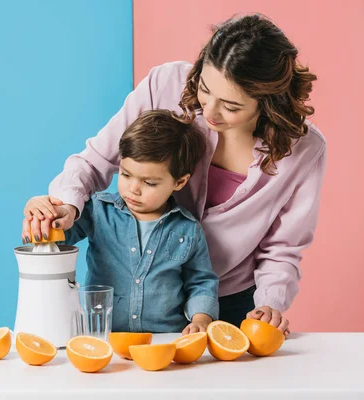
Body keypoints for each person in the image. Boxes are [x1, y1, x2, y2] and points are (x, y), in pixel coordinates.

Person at [22, 14, 327, 336]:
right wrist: (67, 206)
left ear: (268, 101)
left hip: (233, 301)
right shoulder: (165, 85)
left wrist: (270, 303)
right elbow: (96, 161)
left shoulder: (304, 149)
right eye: (204, 89)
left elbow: (283, 248)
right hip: (140, 302)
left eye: (231, 106)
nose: (209, 111)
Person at [57, 109, 220, 334]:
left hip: (165, 341)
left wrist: (201, 320)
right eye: (125, 175)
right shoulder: (98, 212)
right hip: (106, 339)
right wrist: (45, 215)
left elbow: (201, 283)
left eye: (149, 183)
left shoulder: (188, 229)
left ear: (179, 182)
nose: (133, 189)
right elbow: (57, 238)